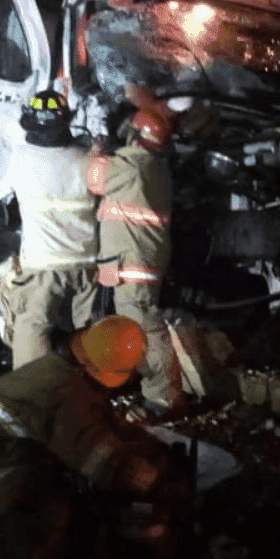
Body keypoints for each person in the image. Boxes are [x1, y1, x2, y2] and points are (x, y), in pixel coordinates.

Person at [0, 316, 180, 559]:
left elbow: (99, 420)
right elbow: (95, 454)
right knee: (51, 511)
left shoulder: (64, 369)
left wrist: (144, 443)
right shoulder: (63, 390)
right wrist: (150, 479)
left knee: (67, 493)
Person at [86, 88, 185, 414]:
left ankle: (164, 398)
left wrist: (97, 150)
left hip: (133, 266)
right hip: (135, 262)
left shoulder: (132, 167)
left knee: (145, 329)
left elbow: (93, 182)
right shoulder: (155, 168)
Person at [1, 90, 99, 368]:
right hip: (86, 262)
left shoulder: (19, 159)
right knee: (88, 335)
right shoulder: (88, 160)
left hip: (42, 265)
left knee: (33, 327)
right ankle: (92, 392)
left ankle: (32, 391)